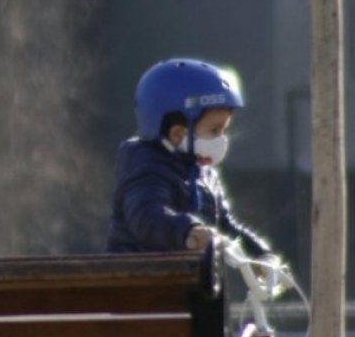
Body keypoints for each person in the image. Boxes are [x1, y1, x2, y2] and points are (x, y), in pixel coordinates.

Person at [106, 58, 271, 257]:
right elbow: (146, 215)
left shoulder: (203, 171)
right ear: (177, 134)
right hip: (142, 279)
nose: (222, 140)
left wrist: (259, 254)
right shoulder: (146, 165)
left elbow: (224, 226)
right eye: (214, 130)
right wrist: (188, 230)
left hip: (189, 280)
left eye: (224, 130)